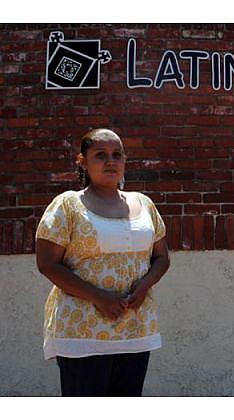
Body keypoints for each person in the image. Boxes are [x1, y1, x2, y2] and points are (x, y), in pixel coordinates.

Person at [35, 128, 170, 396]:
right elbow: (47, 263)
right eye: (100, 155)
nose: (110, 161)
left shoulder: (144, 204)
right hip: (82, 331)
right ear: (82, 162)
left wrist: (144, 287)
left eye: (116, 155)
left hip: (134, 328)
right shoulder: (68, 206)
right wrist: (98, 296)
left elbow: (162, 257)